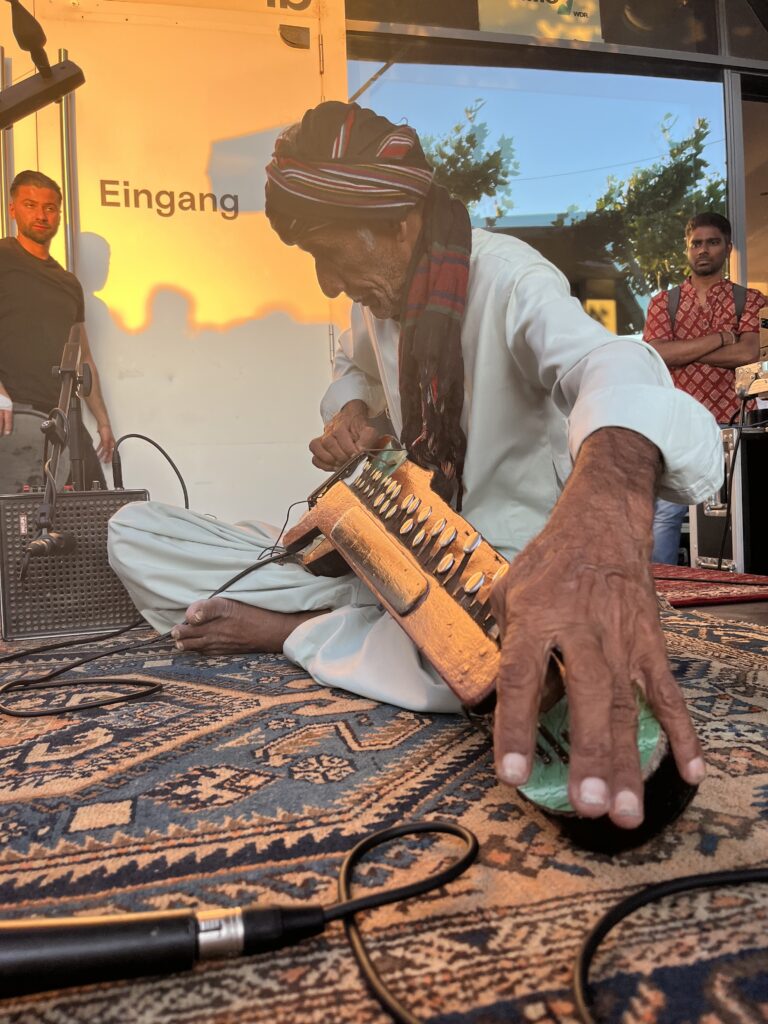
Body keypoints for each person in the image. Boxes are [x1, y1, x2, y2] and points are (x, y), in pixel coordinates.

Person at [109, 101, 724, 831]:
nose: (331, 283)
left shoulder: (506, 280)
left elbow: (613, 363)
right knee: (134, 533)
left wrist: (606, 500)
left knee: (484, 661)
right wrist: (352, 414)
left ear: (400, 224)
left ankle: (288, 632)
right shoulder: (382, 298)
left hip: (496, 575)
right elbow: (350, 365)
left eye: (333, 255)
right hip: (390, 552)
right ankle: (352, 623)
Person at [643, 212, 763, 564]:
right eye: (696, 243)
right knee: (666, 516)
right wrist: (721, 339)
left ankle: (736, 594)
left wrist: (688, 352)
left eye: (712, 242)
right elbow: (659, 354)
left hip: (735, 426)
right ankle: (662, 598)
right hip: (679, 425)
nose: (704, 250)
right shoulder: (663, 302)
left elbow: (749, 353)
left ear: (728, 247)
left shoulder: (751, 300)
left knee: (740, 519)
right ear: (687, 249)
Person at [0, 170, 115, 491]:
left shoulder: (69, 283)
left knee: (94, 513)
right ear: (12, 209)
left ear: (59, 214)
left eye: (49, 208)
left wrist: (103, 421)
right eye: (30, 205)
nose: (40, 215)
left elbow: (84, 357)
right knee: (19, 526)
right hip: (14, 417)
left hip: (64, 416)